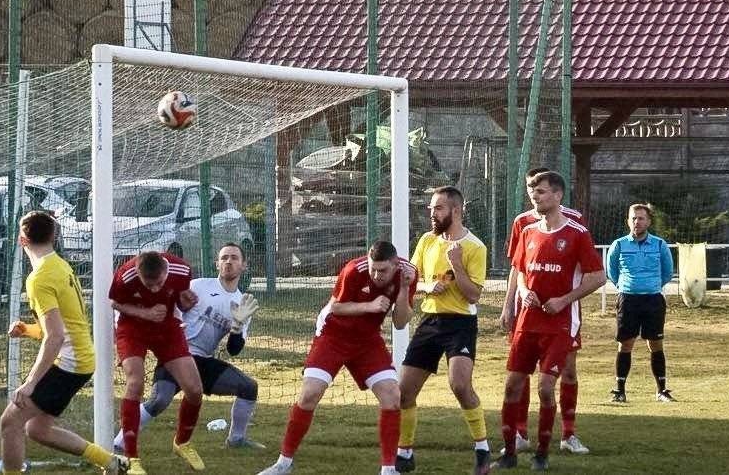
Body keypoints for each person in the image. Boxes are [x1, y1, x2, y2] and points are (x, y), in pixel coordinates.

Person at [257, 241, 416, 475]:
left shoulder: (408, 274)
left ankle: (389, 469)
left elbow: (401, 322)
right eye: (373, 268)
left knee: (392, 396)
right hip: (333, 335)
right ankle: (284, 462)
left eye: (382, 270)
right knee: (310, 393)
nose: (375, 274)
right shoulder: (354, 269)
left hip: (367, 341)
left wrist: (403, 289)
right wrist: (370, 306)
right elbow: (337, 308)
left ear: (395, 265)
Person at [492, 171, 606, 471]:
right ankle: (511, 449)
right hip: (528, 321)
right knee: (512, 384)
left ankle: (548, 448)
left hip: (560, 324)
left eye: (541, 191)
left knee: (547, 385)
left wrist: (565, 300)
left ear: (557, 195)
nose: (535, 196)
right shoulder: (527, 229)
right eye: (532, 190)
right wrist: (525, 294)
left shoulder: (577, 232)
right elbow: (520, 271)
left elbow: (598, 276)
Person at [0, 211, 128, 475]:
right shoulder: (60, 265)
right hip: (80, 358)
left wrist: (30, 383)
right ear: (55, 236)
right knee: (37, 429)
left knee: (10, 422)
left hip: (70, 363)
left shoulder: (39, 278)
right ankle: (112, 463)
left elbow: (56, 337)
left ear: (21, 240)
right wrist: (27, 330)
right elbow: (64, 328)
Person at [113, 243, 262, 452]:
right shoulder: (198, 286)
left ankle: (236, 440)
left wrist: (237, 327)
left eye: (234, 258)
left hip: (203, 361)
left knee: (249, 387)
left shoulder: (241, 303)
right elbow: (168, 301)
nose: (229, 261)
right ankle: (119, 443)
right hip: (176, 353)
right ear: (217, 264)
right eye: (224, 257)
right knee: (159, 399)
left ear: (244, 265)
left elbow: (234, 350)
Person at [396, 186, 491, 475]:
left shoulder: (475, 247)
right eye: (431, 208)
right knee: (404, 392)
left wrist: (457, 266)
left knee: (460, 385)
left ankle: (482, 450)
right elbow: (413, 279)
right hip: (430, 321)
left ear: (456, 211)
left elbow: (473, 295)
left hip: (460, 323)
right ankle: (404, 453)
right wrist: (426, 286)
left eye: (438, 208)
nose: (432, 213)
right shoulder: (427, 240)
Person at [110, 251, 205, 474]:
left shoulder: (181, 269)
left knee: (194, 389)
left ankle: (182, 443)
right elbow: (115, 303)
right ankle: (132, 459)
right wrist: (145, 313)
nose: (154, 289)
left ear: (166, 269)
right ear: (139, 273)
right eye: (148, 284)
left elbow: (181, 302)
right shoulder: (125, 275)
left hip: (166, 327)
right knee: (135, 383)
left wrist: (187, 302)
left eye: (159, 283)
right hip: (132, 328)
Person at [605, 203, 675, 403]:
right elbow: (612, 272)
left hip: (653, 300)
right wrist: (627, 287)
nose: (637, 222)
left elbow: (668, 272)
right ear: (628, 221)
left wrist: (650, 286)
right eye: (633, 218)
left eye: (641, 218)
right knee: (625, 344)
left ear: (649, 221)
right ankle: (620, 391)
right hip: (628, 300)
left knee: (655, 344)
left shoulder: (660, 245)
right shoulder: (618, 245)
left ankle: (662, 390)